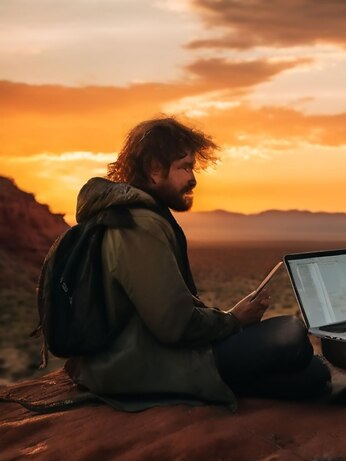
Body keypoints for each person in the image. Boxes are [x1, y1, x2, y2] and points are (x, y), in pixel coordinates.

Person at [65, 117, 330, 409]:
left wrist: (229, 317)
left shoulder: (134, 216)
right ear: (154, 169)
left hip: (138, 356)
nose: (193, 179)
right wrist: (233, 321)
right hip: (139, 364)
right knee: (291, 333)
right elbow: (174, 325)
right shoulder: (140, 225)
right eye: (185, 167)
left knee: (311, 372)